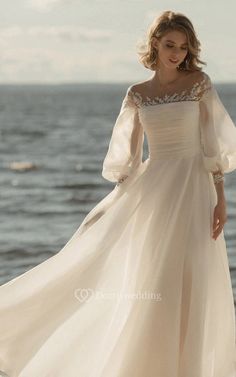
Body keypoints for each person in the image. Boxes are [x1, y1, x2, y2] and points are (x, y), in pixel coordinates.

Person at [0, 9, 236, 377]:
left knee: (194, 276)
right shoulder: (138, 94)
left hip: (194, 189)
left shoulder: (199, 83)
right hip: (156, 190)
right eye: (170, 44)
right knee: (155, 277)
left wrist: (221, 197)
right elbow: (128, 161)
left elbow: (211, 145)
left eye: (183, 47)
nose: (176, 53)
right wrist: (115, 205)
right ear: (155, 43)